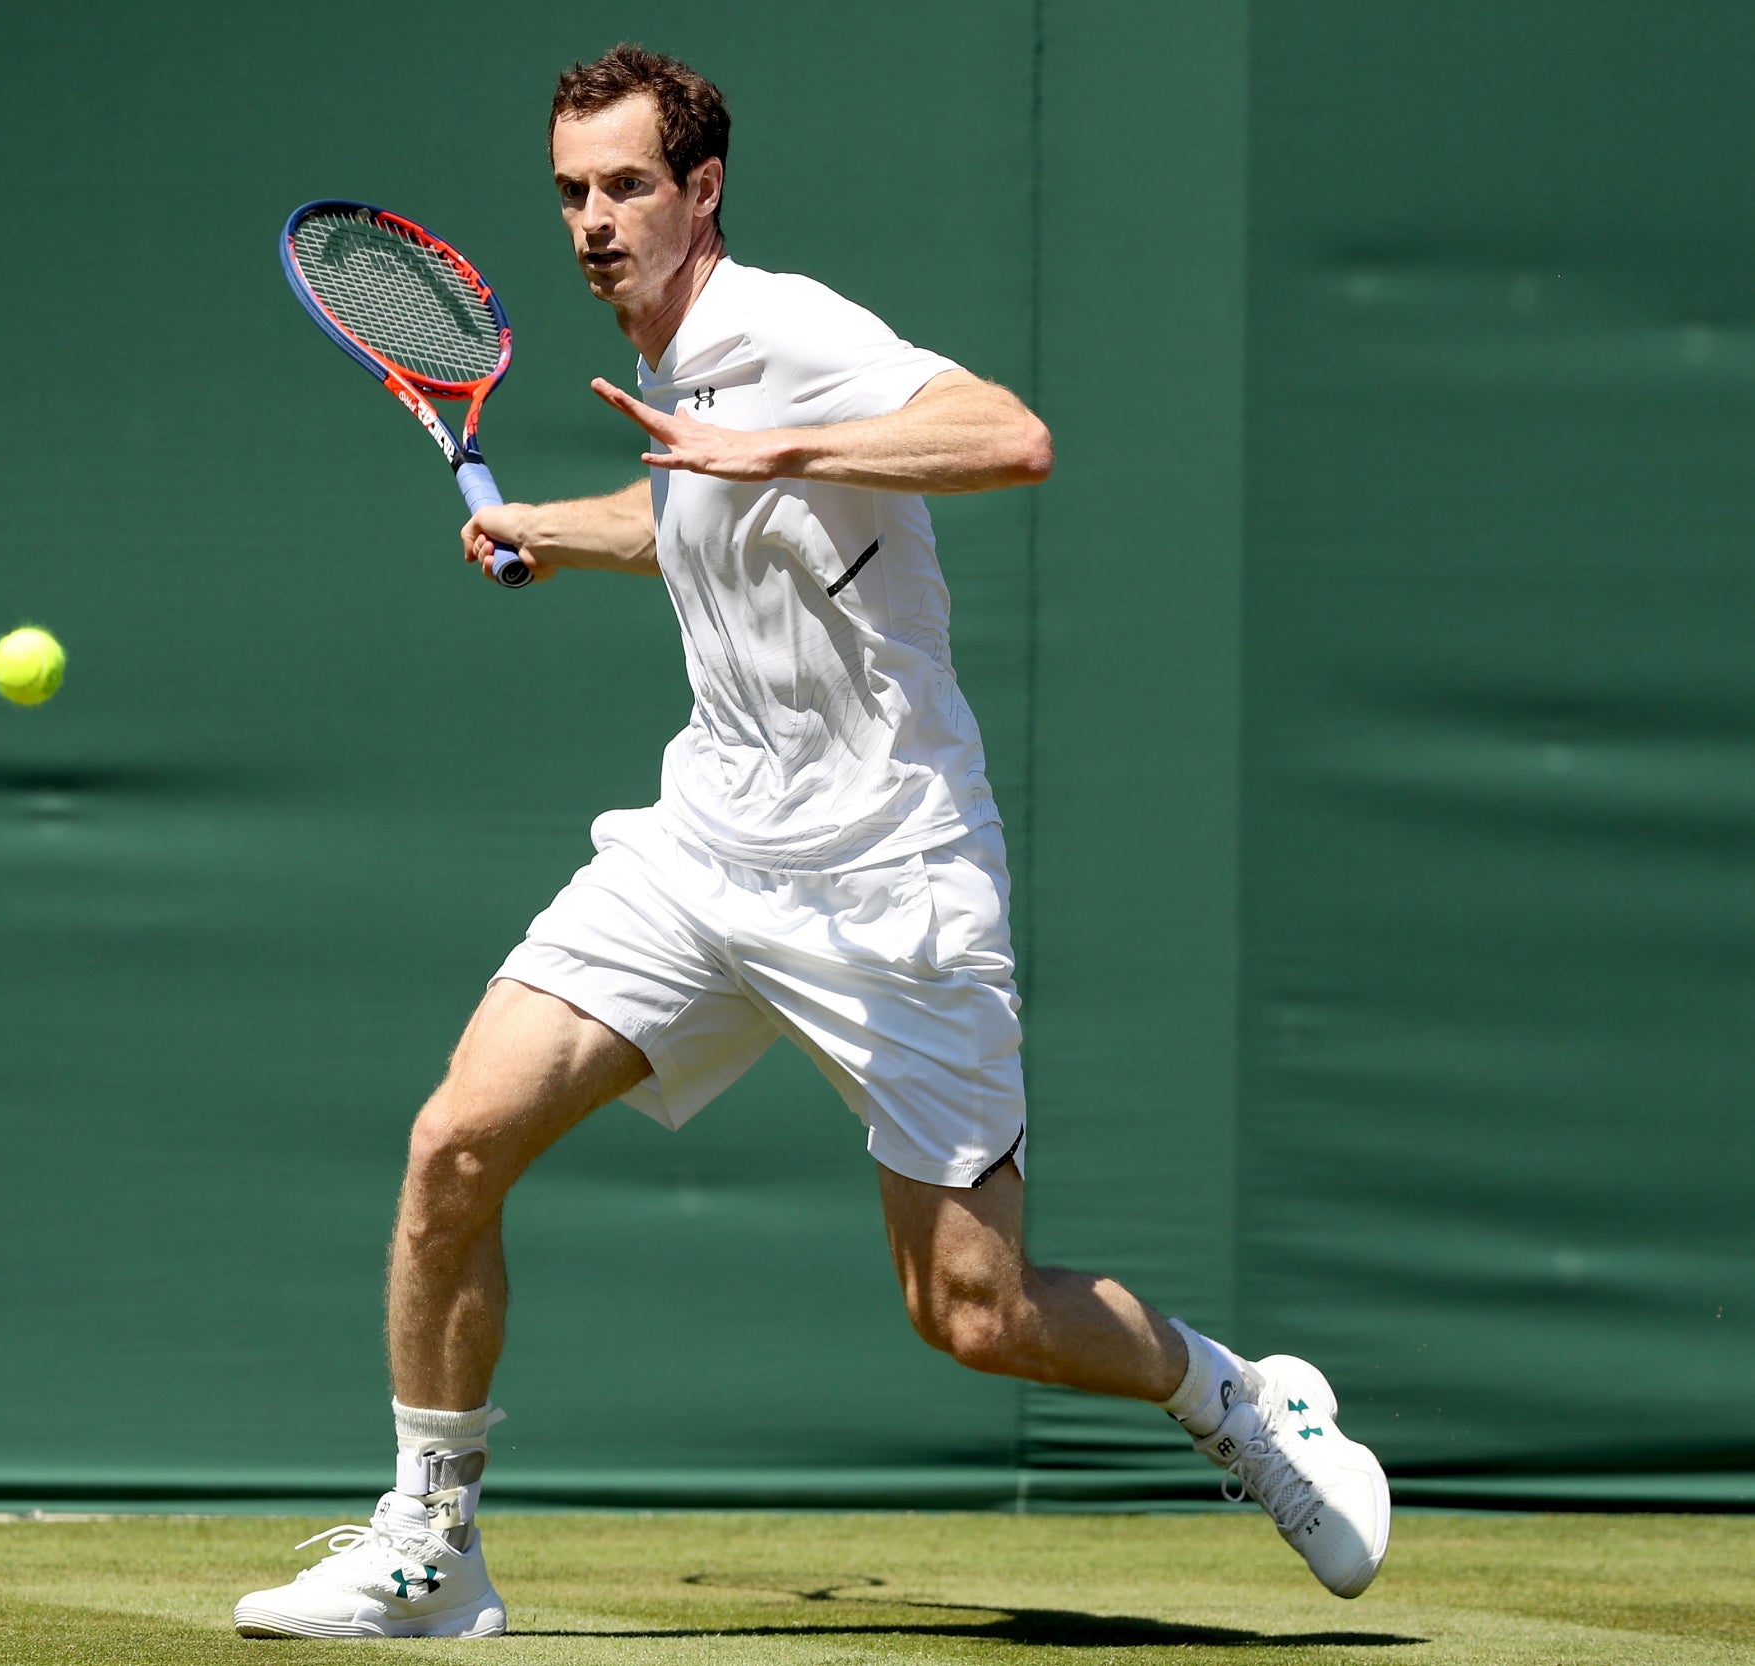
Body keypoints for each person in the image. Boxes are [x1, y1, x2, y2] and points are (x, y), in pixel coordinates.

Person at [233, 43, 1388, 1641]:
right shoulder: (665, 374)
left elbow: (1009, 434)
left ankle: (1240, 1398)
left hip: (891, 876)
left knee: (974, 1313)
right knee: (455, 1145)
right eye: (570, 189)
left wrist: (776, 443)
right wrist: (554, 533)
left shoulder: (778, 328)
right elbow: (696, 516)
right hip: (703, 847)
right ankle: (434, 1547)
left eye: (628, 184)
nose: (592, 219)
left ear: (701, 190)